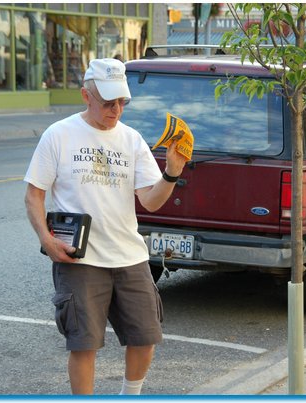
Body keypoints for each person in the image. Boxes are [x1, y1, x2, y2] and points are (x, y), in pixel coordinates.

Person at [24, 58, 187, 395]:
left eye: (122, 102)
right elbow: (34, 195)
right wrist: (47, 240)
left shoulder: (132, 140)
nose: (116, 110)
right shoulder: (59, 135)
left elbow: (151, 201)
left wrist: (172, 173)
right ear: (86, 95)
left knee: (145, 337)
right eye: (108, 102)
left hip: (130, 257)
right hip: (79, 260)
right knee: (83, 344)